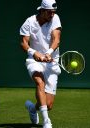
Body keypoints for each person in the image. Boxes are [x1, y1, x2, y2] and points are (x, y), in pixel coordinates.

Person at [19, 0, 61, 128]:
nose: (52, 15)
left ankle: (33, 108)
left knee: (48, 105)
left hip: (52, 62)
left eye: (53, 12)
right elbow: (23, 43)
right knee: (39, 81)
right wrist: (33, 52)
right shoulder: (29, 22)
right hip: (34, 60)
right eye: (49, 12)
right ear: (42, 10)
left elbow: (56, 39)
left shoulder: (55, 18)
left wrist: (48, 53)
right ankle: (46, 121)